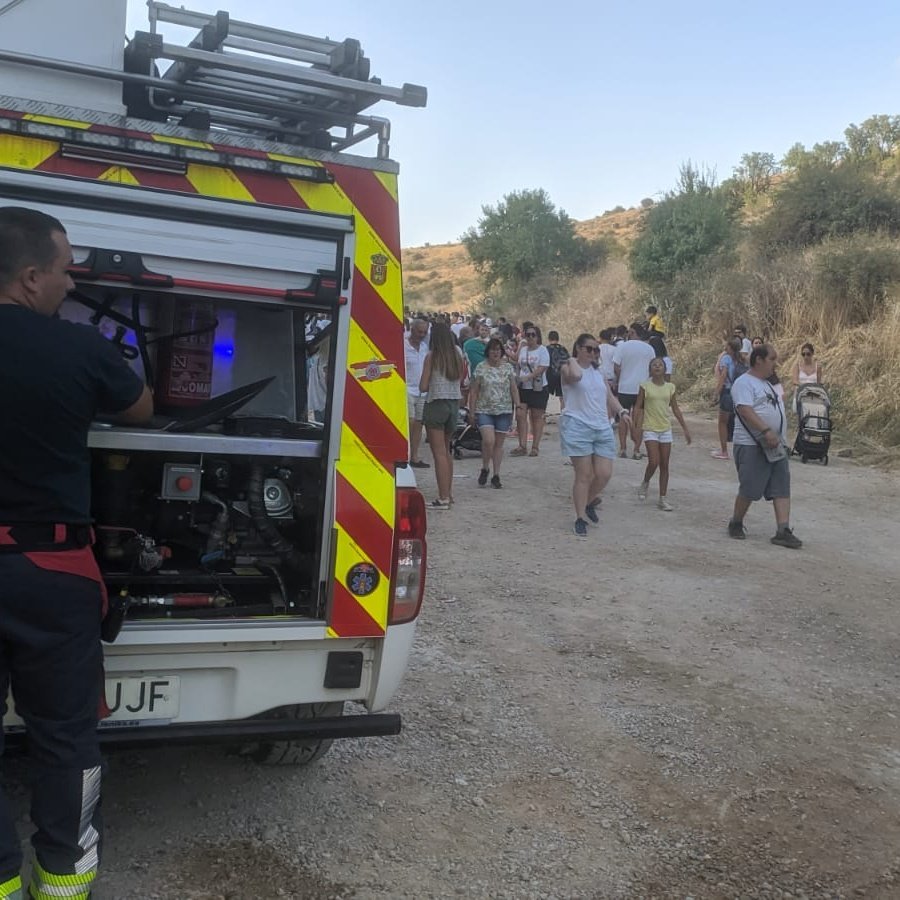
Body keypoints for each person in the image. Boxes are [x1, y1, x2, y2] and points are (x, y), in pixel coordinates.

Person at [0, 206, 153, 899]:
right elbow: (142, 408)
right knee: (65, 737)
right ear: (31, 278)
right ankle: (60, 883)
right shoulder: (78, 348)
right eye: (64, 270)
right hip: (51, 570)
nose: (71, 284)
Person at [727, 344, 802, 549]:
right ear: (758, 360)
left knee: (781, 486)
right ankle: (736, 522)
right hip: (752, 443)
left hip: (775, 444)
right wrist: (766, 430)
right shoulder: (744, 383)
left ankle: (783, 530)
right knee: (750, 488)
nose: (775, 363)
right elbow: (744, 410)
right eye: (772, 359)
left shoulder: (768, 384)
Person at [559, 333, 629, 537]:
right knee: (584, 475)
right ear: (578, 348)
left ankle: (588, 502)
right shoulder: (567, 368)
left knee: (604, 473)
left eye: (596, 349)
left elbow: (609, 396)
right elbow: (576, 377)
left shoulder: (598, 373)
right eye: (589, 349)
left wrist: (622, 411)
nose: (594, 353)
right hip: (578, 425)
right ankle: (580, 517)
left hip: (601, 426)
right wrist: (572, 360)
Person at [633, 357, 692, 510]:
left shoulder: (670, 387)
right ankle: (645, 482)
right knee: (654, 461)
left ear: (665, 369)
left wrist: (685, 428)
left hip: (665, 428)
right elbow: (638, 407)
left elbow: (675, 408)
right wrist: (635, 425)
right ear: (650, 369)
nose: (657, 367)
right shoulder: (645, 386)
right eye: (654, 365)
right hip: (650, 428)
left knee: (665, 464)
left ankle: (662, 498)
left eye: (660, 365)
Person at [419, 322, 466, 509]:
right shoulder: (457, 353)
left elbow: (423, 386)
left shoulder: (432, 356)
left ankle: (443, 497)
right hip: (454, 403)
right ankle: (449, 493)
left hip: (436, 403)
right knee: (446, 451)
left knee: (438, 453)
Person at [468, 338, 518, 489]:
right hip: (484, 410)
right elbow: (474, 391)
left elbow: (513, 388)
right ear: (487, 352)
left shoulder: (508, 368)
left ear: (502, 352)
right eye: (493, 349)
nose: (495, 352)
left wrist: (518, 405)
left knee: (499, 444)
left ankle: (496, 474)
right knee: (488, 441)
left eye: (498, 350)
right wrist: (472, 411)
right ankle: (485, 467)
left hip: (504, 410)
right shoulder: (480, 368)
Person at [612, 323, 655, 459]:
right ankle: (636, 450)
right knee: (639, 420)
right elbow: (653, 367)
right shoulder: (649, 348)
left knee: (623, 418)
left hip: (625, 387)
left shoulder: (622, 347)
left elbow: (616, 366)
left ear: (632, 332)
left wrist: (620, 378)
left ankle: (623, 448)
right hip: (642, 388)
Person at [511, 325, 550, 457]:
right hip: (523, 387)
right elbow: (517, 362)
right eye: (528, 335)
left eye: (533, 334)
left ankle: (535, 446)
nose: (530, 337)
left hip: (538, 387)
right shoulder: (523, 349)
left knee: (536, 417)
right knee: (520, 415)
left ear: (538, 336)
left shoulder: (542, 350)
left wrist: (529, 376)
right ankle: (522, 445)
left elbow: (543, 367)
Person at [712, 337, 745, 460]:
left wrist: (716, 392)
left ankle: (724, 450)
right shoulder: (742, 360)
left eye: (727, 346)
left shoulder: (726, 358)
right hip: (740, 393)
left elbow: (723, 376)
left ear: (730, 348)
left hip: (727, 392)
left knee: (723, 422)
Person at [404, 318, 430, 469]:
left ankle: (414, 456)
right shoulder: (403, 346)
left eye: (424, 332)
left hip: (421, 391)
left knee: (419, 424)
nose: (422, 335)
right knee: (410, 421)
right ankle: (405, 453)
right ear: (412, 330)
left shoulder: (425, 347)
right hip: (407, 389)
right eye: (420, 332)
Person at [791, 343, 823, 414]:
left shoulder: (818, 367)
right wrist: (804, 386)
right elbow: (794, 381)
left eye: (808, 354)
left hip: (813, 394)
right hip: (801, 393)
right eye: (803, 354)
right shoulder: (797, 366)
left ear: (812, 354)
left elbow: (819, 382)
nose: (805, 356)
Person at [545, 330, 570, 411]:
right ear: (558, 338)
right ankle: (563, 414)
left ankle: (543, 417)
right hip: (561, 375)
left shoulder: (546, 349)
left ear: (548, 339)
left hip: (549, 375)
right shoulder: (563, 349)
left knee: (545, 396)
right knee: (562, 397)